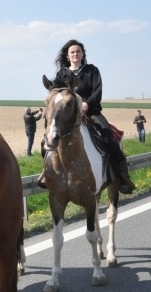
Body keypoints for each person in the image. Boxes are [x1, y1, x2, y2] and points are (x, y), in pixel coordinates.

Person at [47, 39, 135, 194]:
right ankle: (46, 174)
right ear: (68, 56)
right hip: (69, 116)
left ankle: (123, 177)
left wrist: (87, 104)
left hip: (91, 113)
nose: (75, 54)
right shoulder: (62, 74)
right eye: (72, 52)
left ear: (82, 54)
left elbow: (97, 91)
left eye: (78, 51)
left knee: (110, 139)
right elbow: (57, 93)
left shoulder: (92, 71)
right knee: (48, 139)